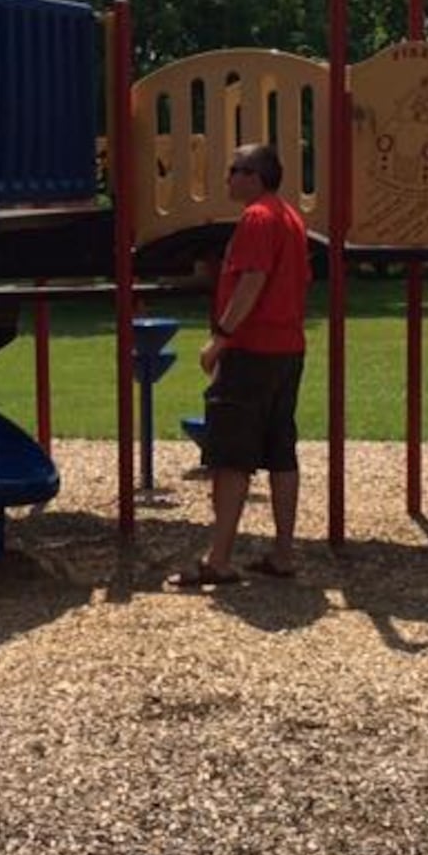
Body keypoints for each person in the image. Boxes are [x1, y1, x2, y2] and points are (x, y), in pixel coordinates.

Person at [170, 141, 309, 587]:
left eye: (234, 170)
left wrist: (221, 339)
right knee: (281, 449)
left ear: (253, 175)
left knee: (231, 457)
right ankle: (283, 552)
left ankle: (218, 559)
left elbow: (252, 280)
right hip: (288, 348)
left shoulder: (256, 217)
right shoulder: (290, 217)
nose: (227, 177)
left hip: (252, 350)